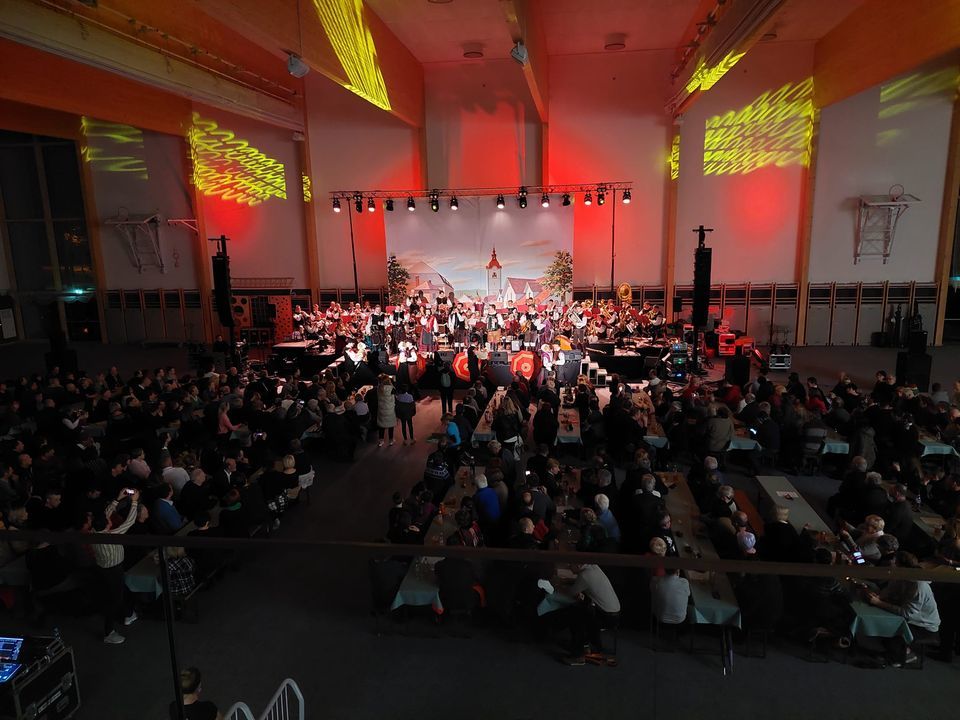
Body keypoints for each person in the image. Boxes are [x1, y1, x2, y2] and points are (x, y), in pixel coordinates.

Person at [864, 552, 941, 666]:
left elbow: (906, 613)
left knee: (891, 627)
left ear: (901, 567)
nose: (890, 564)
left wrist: (878, 603)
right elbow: (890, 591)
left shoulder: (918, 586)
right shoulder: (900, 576)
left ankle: (899, 657)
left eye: (894, 562)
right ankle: (900, 651)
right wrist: (879, 597)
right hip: (913, 618)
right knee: (884, 623)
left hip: (924, 626)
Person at [88, 488, 141, 645]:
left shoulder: (93, 532)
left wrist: (117, 499)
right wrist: (134, 502)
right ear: (107, 525)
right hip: (114, 570)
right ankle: (109, 632)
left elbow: (104, 516)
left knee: (118, 593)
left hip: (102, 569)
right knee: (115, 600)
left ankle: (128, 613)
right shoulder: (112, 535)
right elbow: (130, 522)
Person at [376, 376, 397, 447]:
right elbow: (395, 397)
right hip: (390, 410)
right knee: (390, 426)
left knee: (381, 427)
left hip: (382, 410)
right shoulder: (392, 388)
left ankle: (381, 441)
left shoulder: (379, 388)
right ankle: (391, 440)